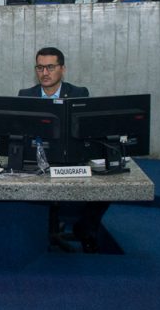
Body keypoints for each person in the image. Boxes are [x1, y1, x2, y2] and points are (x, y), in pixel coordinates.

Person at [18, 47, 106, 254]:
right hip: (36, 160)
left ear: (62, 69)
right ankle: (43, 229)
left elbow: (88, 131)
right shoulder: (26, 95)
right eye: (40, 67)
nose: (45, 73)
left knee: (105, 185)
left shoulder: (78, 94)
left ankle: (86, 229)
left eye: (50, 67)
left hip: (70, 160)